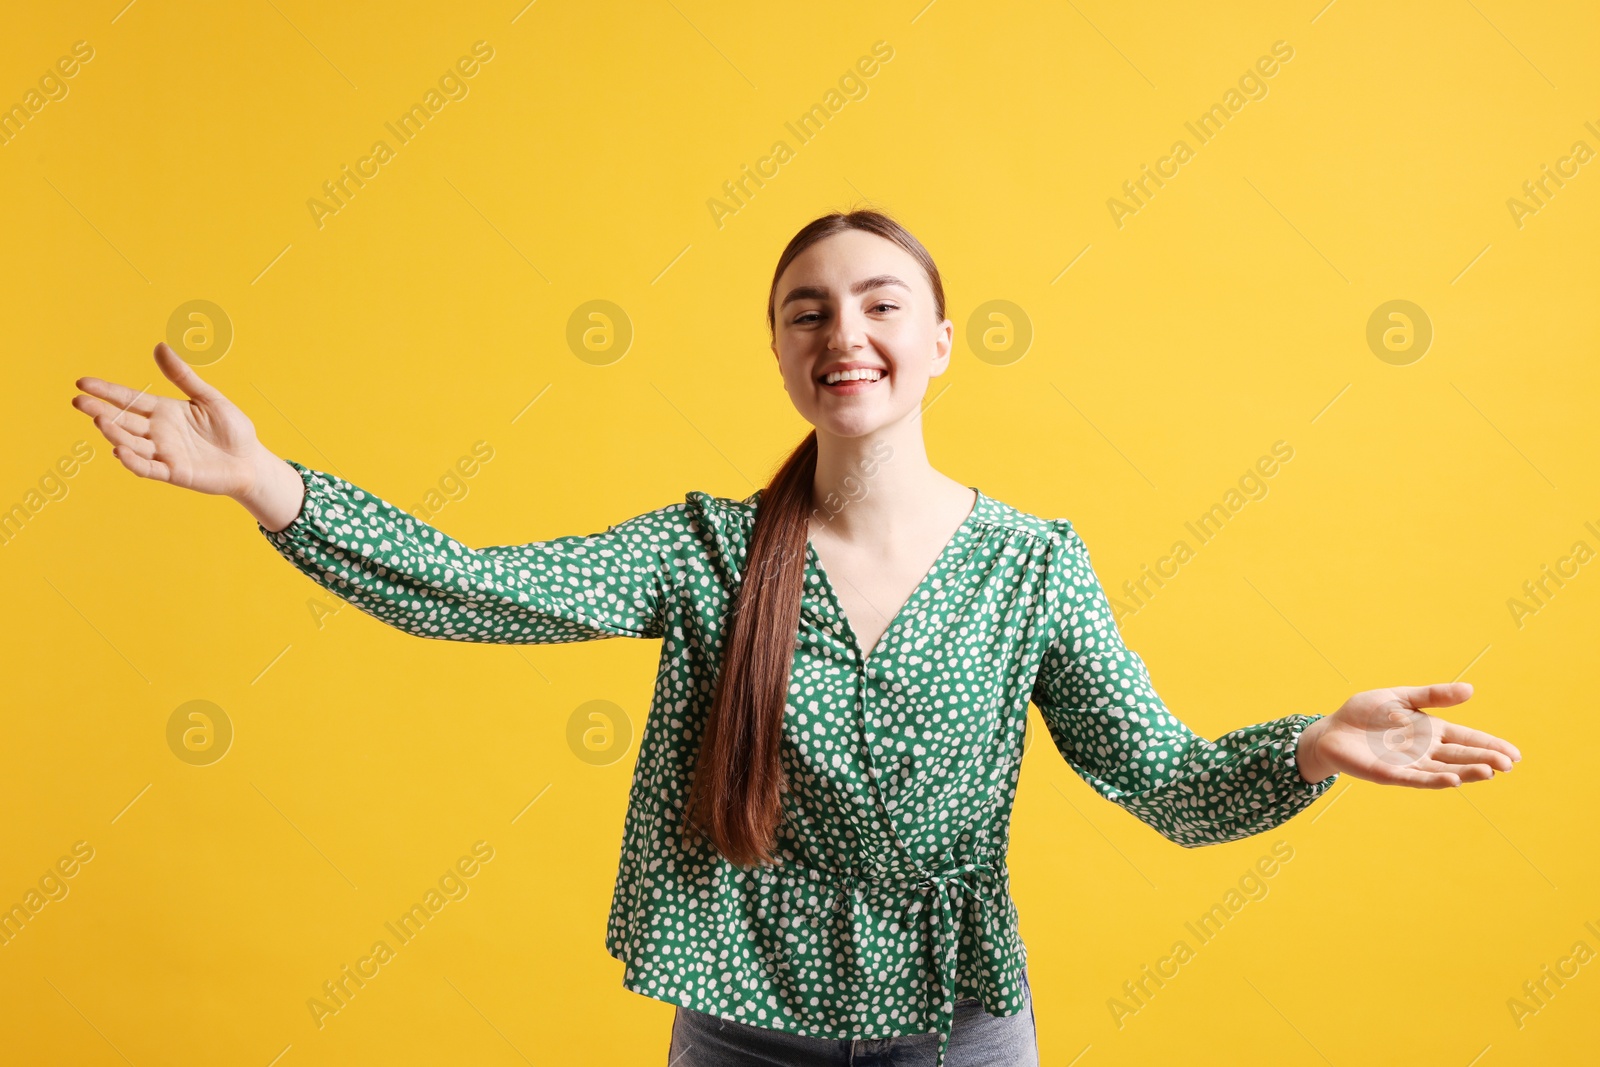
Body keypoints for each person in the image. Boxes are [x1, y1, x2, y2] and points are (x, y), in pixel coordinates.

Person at [71, 209, 1520, 1067]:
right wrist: (269, 484)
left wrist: (1311, 750)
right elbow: (472, 586)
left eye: (883, 303)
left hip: (957, 1025)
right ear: (780, 350)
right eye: (807, 311)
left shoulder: (1034, 569)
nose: (848, 331)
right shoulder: (705, 552)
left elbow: (1159, 780)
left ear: (943, 341)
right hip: (739, 1022)